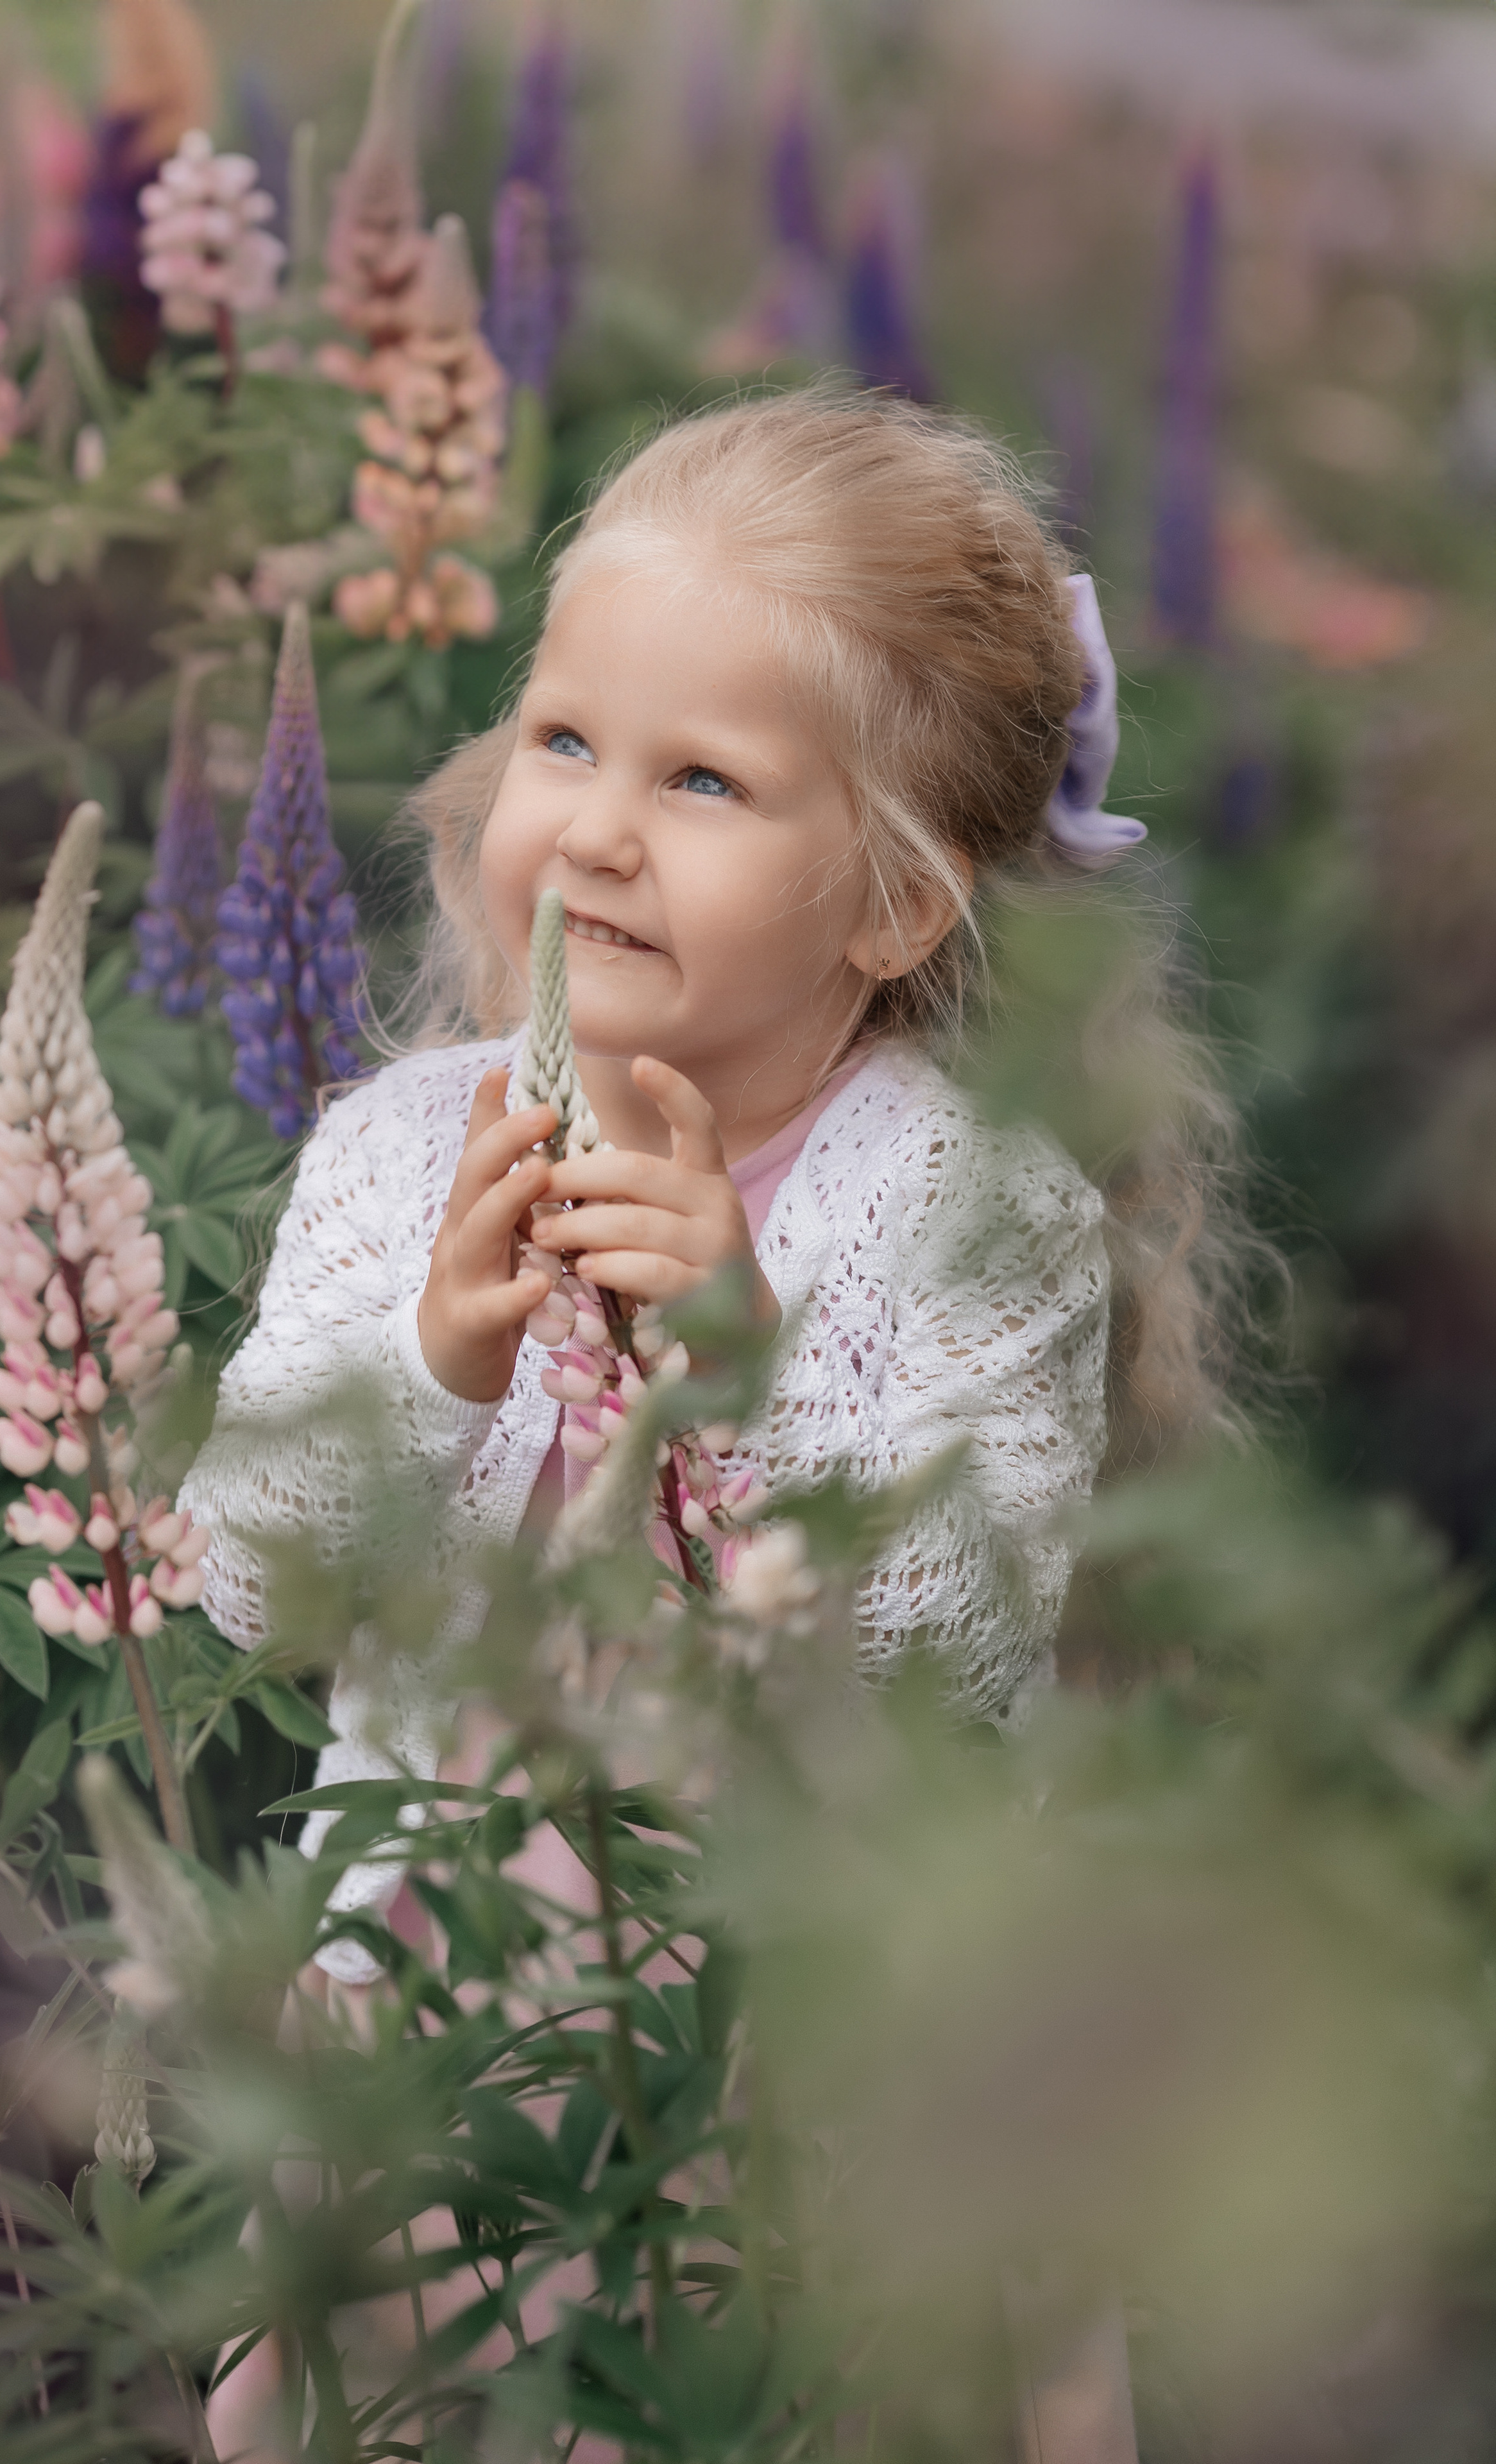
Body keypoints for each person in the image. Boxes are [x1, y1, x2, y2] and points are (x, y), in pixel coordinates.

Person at [187, 385, 1248, 2455]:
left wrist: (746, 1367)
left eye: (702, 780)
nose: (596, 826)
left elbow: (947, 1642)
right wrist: (437, 1361)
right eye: (565, 740)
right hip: (448, 2012)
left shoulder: (964, 1205)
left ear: (895, 907)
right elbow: (243, 1574)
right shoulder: (401, 1150)